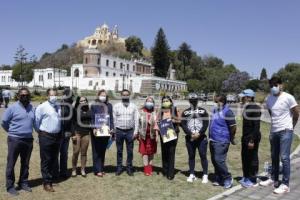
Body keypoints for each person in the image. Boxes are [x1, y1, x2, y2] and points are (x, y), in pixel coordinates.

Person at [260, 76, 299, 194]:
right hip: (274, 131)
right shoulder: (269, 99)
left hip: (286, 130)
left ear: (281, 85)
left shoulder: (288, 97)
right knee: (274, 156)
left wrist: (291, 126)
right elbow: (272, 113)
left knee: (285, 157)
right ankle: (273, 178)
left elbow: (296, 113)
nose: (273, 87)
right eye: (271, 85)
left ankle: (285, 184)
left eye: (275, 85)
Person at [1, 88, 34, 196]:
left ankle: (23, 182)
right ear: (18, 96)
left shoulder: (32, 107)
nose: (24, 97)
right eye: (22, 95)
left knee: (25, 163)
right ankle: (10, 186)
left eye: (26, 95)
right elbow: (4, 122)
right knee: (11, 163)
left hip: (28, 140)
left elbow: (34, 122)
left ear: (29, 96)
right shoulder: (12, 108)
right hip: (15, 139)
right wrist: (11, 131)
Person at [35, 88, 61, 192]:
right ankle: (46, 182)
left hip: (57, 136)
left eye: (55, 95)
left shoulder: (58, 106)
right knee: (46, 160)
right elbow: (36, 122)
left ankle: (50, 178)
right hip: (45, 136)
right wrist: (41, 133)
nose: (53, 96)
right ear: (47, 96)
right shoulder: (42, 107)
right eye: (51, 95)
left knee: (53, 159)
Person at [209, 94, 237, 189]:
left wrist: (231, 137)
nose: (216, 103)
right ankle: (219, 177)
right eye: (215, 102)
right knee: (214, 160)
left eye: (217, 102)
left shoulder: (228, 112)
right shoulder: (215, 110)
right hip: (213, 139)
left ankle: (227, 178)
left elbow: (233, 127)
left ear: (223, 101)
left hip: (222, 140)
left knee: (219, 160)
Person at [181, 93, 209, 183]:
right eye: (191, 101)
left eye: (195, 101)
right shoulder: (185, 112)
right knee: (191, 156)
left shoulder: (203, 111)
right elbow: (183, 124)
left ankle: (205, 174)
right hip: (190, 137)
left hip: (201, 137)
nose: (193, 102)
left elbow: (206, 123)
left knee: (203, 155)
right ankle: (192, 174)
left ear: (197, 101)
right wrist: (190, 134)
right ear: (189, 101)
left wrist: (200, 133)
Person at [238, 89, 261, 188]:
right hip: (245, 136)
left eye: (243, 96)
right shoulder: (247, 107)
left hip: (252, 138)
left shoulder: (255, 108)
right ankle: (246, 176)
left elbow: (256, 126)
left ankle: (252, 179)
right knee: (245, 157)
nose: (242, 98)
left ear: (249, 97)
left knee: (252, 158)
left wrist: (252, 140)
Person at [113, 89, 139, 176]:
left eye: (127, 95)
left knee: (130, 151)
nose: (125, 96)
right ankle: (119, 168)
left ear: (129, 96)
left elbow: (136, 119)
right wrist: (114, 131)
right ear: (121, 96)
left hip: (130, 131)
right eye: (123, 95)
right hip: (119, 131)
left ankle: (129, 168)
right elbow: (114, 119)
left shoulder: (134, 106)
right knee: (119, 151)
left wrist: (136, 132)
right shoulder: (116, 106)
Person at [91, 90, 114, 177]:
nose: (103, 97)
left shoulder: (110, 106)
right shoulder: (94, 105)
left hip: (106, 130)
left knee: (103, 150)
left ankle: (101, 168)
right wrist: (93, 128)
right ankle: (97, 170)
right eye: (102, 95)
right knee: (96, 150)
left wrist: (112, 128)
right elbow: (92, 118)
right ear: (98, 96)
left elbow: (111, 118)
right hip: (97, 130)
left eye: (105, 95)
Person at [157, 96, 181, 180]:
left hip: (173, 132)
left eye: (167, 100)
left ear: (170, 101)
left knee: (171, 152)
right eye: (164, 101)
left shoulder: (175, 109)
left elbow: (180, 120)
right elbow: (157, 120)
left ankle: (170, 173)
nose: (165, 102)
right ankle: (165, 170)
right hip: (163, 133)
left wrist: (174, 120)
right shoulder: (161, 110)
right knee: (164, 152)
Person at [54, 88, 74, 178]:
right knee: (56, 153)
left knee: (64, 153)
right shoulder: (58, 104)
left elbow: (72, 121)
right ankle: (55, 171)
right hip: (57, 133)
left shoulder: (70, 106)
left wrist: (70, 132)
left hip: (66, 133)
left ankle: (63, 171)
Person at [71, 96, 92, 177]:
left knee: (84, 153)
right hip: (77, 133)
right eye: (81, 101)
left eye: (84, 100)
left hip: (86, 133)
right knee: (76, 152)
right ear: (78, 102)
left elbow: (90, 120)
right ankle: (74, 170)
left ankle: (83, 169)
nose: (83, 102)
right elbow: (72, 122)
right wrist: (73, 134)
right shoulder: (75, 110)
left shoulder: (89, 110)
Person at [138, 97, 159, 176]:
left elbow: (157, 124)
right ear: (145, 102)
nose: (149, 103)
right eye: (148, 101)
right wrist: (137, 133)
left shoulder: (155, 112)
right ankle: (146, 169)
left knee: (151, 152)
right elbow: (138, 123)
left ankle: (150, 168)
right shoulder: (141, 111)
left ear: (153, 103)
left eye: (151, 101)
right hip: (143, 136)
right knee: (144, 153)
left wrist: (157, 135)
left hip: (152, 136)